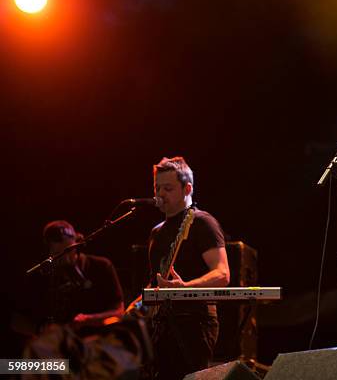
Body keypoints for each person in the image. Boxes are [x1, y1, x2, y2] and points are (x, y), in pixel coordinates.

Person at [145, 156, 230, 380]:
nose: (160, 194)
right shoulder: (156, 232)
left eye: (168, 188)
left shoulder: (201, 222)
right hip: (162, 325)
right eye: (157, 188)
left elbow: (222, 274)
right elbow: (157, 282)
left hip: (195, 321)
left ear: (187, 188)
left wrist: (184, 287)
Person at [14, 220, 124, 333]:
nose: (65, 259)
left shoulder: (101, 266)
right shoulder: (40, 275)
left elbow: (119, 312)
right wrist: (41, 329)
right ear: (48, 251)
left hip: (95, 343)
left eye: (69, 250)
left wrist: (88, 320)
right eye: (58, 254)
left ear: (77, 243)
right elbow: (17, 321)